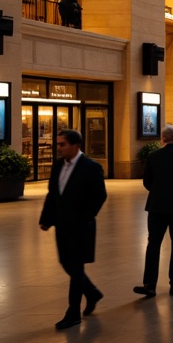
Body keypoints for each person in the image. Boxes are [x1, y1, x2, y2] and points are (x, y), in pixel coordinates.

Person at [38, 128, 107, 329]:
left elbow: (99, 196)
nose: (58, 148)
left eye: (62, 144)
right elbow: (53, 194)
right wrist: (46, 219)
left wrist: (84, 218)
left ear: (75, 145)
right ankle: (92, 292)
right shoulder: (58, 165)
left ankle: (73, 312)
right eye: (58, 144)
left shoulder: (91, 167)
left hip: (81, 226)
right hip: (62, 224)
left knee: (76, 267)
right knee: (66, 262)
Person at [135, 123, 173, 298]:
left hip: (156, 206)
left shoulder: (153, 156)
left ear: (162, 138)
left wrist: (158, 192)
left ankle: (150, 284)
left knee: (153, 244)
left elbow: (147, 181)